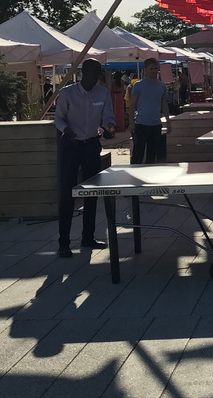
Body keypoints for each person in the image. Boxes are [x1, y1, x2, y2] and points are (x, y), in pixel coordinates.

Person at [54, 58, 116, 259]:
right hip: (71, 147)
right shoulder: (67, 93)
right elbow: (58, 118)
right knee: (67, 194)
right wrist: (66, 130)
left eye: (97, 74)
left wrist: (110, 128)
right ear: (82, 73)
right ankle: (64, 243)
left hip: (91, 146)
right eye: (91, 73)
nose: (94, 78)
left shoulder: (102, 93)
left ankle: (88, 237)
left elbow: (108, 117)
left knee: (91, 193)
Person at [130, 57, 172, 164]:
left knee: (152, 154)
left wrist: (168, 121)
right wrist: (131, 123)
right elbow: (132, 105)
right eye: (151, 69)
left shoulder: (161, 86)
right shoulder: (138, 85)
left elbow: (164, 104)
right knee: (138, 154)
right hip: (141, 124)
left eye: (155, 68)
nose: (154, 71)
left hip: (156, 124)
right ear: (146, 70)